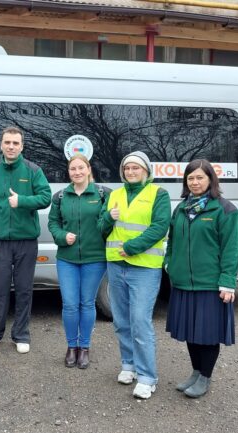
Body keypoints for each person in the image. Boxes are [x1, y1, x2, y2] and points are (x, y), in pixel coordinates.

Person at [98, 150, 170, 399]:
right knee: (121, 320)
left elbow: (160, 227)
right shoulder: (115, 194)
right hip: (116, 265)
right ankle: (128, 365)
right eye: (127, 168)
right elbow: (101, 227)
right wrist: (108, 217)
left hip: (144, 267)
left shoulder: (158, 194)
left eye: (136, 168)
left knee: (140, 320)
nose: (130, 172)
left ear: (146, 171)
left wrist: (131, 247)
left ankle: (148, 376)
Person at [164, 159, 238, 398]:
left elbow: (230, 249)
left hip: (210, 283)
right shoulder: (181, 208)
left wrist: (228, 281)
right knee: (190, 332)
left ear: (210, 180)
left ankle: (205, 377)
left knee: (206, 334)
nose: (195, 182)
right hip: (184, 282)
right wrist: (169, 263)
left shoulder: (224, 209)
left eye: (200, 177)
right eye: (190, 178)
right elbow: (173, 241)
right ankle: (196, 372)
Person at [0, 126, 51, 354]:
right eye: (7, 142)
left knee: (23, 289)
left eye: (16, 143)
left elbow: (45, 197)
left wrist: (22, 200)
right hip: (0, 242)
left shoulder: (33, 170)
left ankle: (21, 335)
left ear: (22, 146)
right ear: (1, 145)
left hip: (26, 241)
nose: (11, 147)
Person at [47, 155, 109, 369]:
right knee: (70, 304)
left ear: (89, 169)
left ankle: (84, 347)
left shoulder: (102, 194)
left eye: (81, 168)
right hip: (67, 259)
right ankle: (71, 346)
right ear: (69, 172)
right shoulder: (61, 196)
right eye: (73, 169)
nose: (77, 172)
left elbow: (107, 224)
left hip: (95, 258)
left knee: (87, 303)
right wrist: (62, 236)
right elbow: (53, 223)